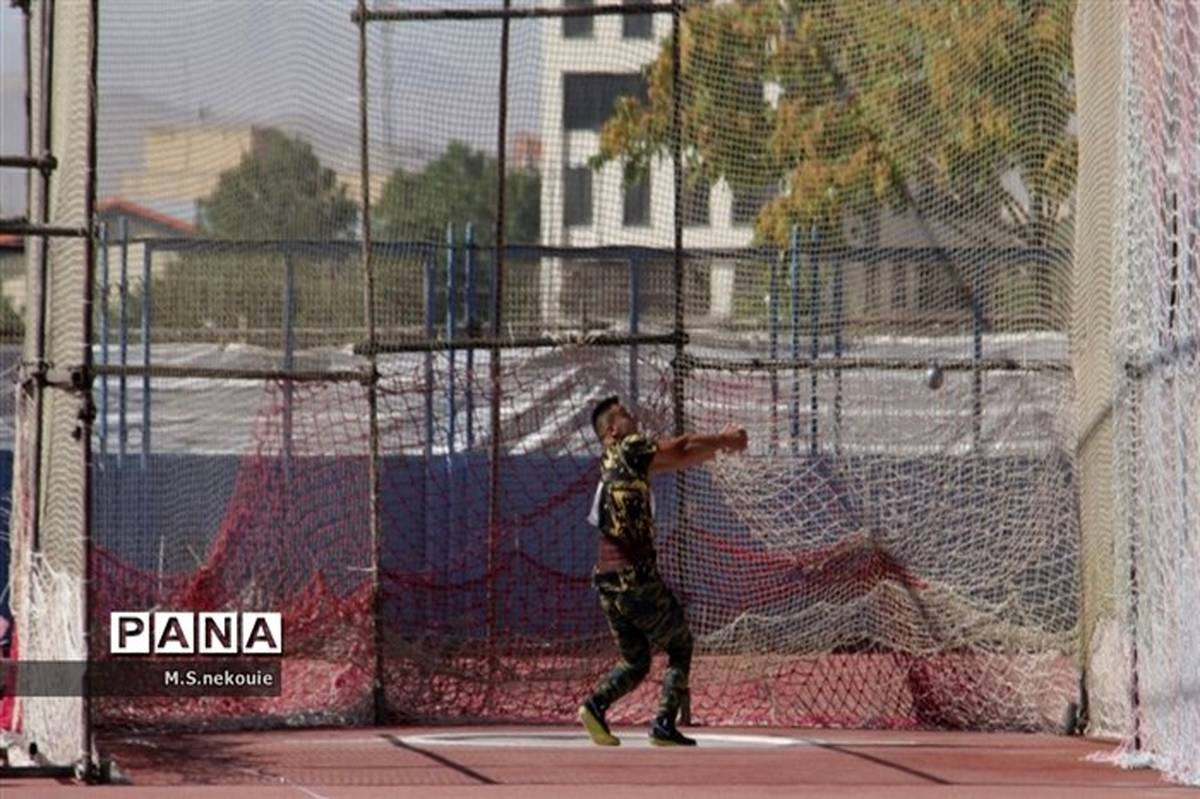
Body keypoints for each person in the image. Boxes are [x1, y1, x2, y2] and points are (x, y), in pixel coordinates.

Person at [578, 396, 748, 747]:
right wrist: (724, 439)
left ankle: (594, 706)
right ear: (612, 430)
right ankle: (664, 723)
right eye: (625, 415)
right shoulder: (629, 446)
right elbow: (681, 446)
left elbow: (680, 458)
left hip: (607, 580)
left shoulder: (616, 460)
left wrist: (717, 450)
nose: (633, 417)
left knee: (636, 660)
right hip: (633, 576)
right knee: (681, 643)